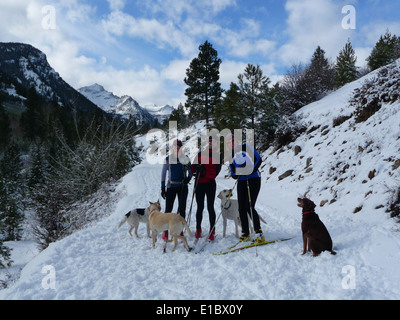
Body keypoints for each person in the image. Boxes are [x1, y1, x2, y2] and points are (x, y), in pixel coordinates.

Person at [226, 135, 264, 243]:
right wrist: (237, 174)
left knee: (249, 206)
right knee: (241, 207)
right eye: (229, 143)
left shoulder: (246, 147)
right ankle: (245, 232)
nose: (231, 144)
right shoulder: (231, 155)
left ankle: (258, 232)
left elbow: (258, 159)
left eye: (232, 141)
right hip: (242, 181)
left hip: (253, 179)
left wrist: (250, 170)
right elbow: (233, 172)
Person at [191, 137, 222, 241]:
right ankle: (198, 228)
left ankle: (212, 230)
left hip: (210, 184)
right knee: (200, 207)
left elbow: (216, 172)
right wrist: (197, 168)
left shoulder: (217, 155)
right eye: (209, 142)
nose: (211, 144)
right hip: (199, 183)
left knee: (210, 207)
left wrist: (204, 172)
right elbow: (192, 168)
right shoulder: (200, 154)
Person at [161, 139, 192, 240]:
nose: (177, 148)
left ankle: (180, 230)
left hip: (182, 186)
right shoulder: (168, 159)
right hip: (171, 187)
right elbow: (163, 174)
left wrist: (188, 178)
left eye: (179, 147)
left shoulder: (185, 158)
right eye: (175, 146)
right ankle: (165, 231)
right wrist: (162, 187)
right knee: (168, 210)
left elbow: (190, 170)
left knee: (182, 209)